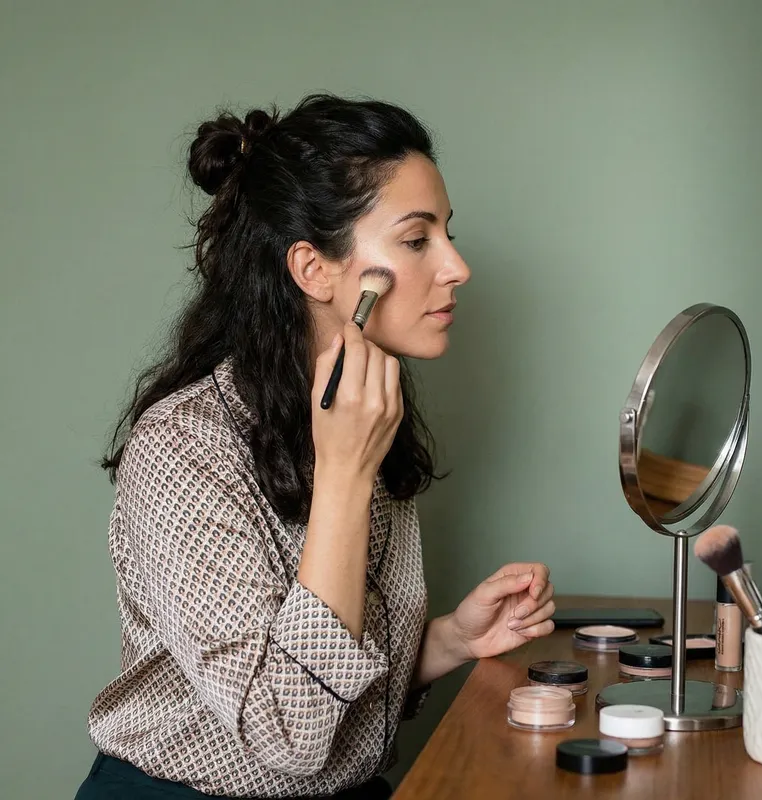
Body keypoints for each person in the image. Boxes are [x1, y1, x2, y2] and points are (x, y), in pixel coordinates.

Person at [75, 94, 555, 800]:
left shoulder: (360, 413)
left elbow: (327, 680)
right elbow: (286, 734)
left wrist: (452, 640)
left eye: (447, 234)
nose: (457, 267)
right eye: (418, 240)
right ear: (314, 270)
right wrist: (344, 479)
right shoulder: (181, 449)